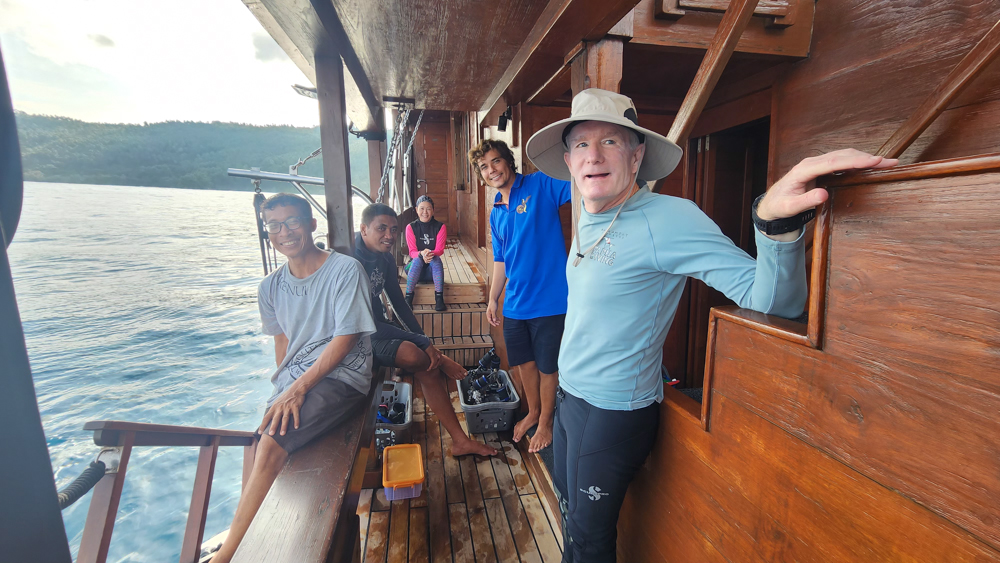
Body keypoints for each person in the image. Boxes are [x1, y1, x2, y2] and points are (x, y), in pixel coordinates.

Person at [523, 88, 899, 562]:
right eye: (581, 143)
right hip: (571, 397)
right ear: (568, 159)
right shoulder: (589, 212)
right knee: (570, 514)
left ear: (637, 157)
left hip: (613, 410)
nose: (593, 155)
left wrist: (773, 224)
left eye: (610, 141)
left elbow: (771, 304)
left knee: (587, 538)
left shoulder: (669, 218)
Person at [213, 193, 376, 563]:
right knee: (261, 439)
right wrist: (283, 391)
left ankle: (226, 555)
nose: (284, 232)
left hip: (343, 375)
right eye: (274, 225)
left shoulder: (345, 270)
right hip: (300, 379)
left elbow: (347, 337)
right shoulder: (269, 287)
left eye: (292, 222)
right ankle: (249, 534)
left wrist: (299, 389)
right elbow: (283, 344)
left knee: (272, 442)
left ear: (311, 224)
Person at [354, 203, 497, 457]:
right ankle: (440, 360)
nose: (389, 235)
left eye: (394, 229)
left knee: (427, 364)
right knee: (416, 355)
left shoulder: (385, 258)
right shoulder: (350, 261)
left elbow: (399, 305)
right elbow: (363, 325)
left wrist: (425, 342)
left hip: (377, 326)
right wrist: (427, 346)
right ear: (363, 229)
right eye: (381, 228)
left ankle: (460, 441)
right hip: (354, 338)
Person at [468, 139, 571, 454]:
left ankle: (546, 422)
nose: (491, 170)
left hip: (550, 300)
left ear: (508, 162)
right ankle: (534, 412)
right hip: (515, 303)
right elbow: (501, 260)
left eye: (496, 161)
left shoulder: (541, 184)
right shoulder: (496, 211)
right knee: (525, 363)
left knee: (548, 367)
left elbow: (582, 181)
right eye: (484, 167)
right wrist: (493, 298)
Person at [404, 194, 448, 311]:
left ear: (433, 210)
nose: (425, 212)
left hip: (431, 272)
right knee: (417, 259)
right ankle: (408, 298)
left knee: (436, 259)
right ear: (416, 210)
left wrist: (428, 253)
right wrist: (421, 254)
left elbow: (439, 250)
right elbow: (412, 252)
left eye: (428, 209)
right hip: (412, 270)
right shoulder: (411, 227)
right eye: (422, 208)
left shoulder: (440, 227)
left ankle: (439, 299)